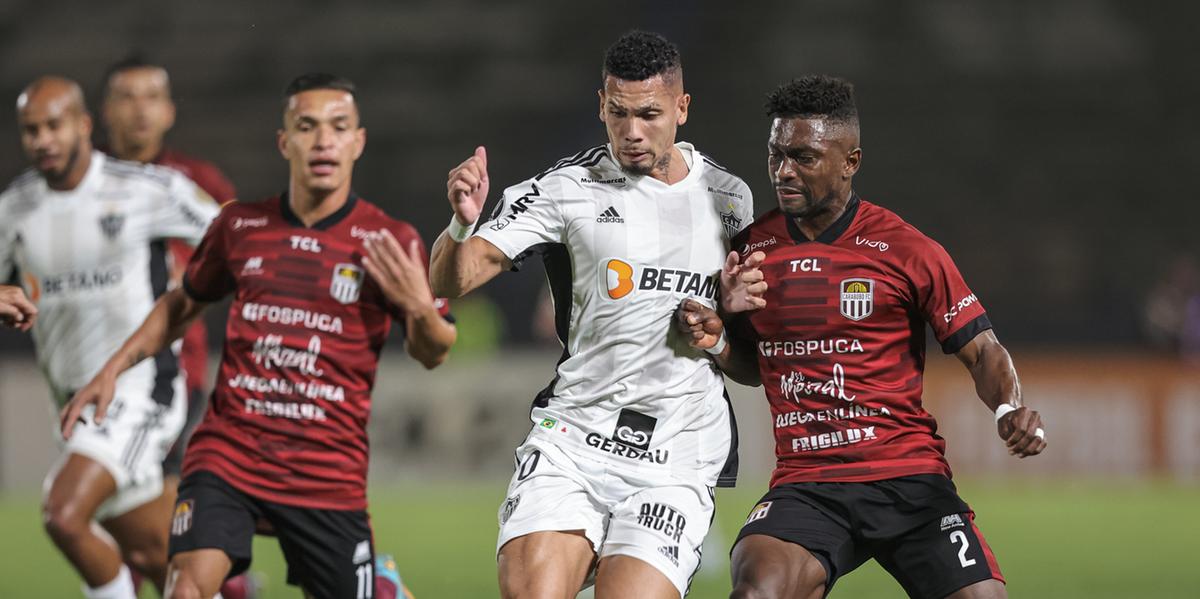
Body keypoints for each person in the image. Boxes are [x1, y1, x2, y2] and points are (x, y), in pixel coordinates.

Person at [61, 73, 452, 599]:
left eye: (338, 127)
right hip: (230, 452)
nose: (323, 141)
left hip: (326, 470)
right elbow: (181, 304)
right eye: (307, 127)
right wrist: (113, 369)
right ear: (284, 141)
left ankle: (379, 584)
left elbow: (433, 351)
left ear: (357, 142)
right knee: (185, 591)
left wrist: (418, 309)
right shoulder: (241, 226)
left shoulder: (390, 241)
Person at [676, 75, 1047, 599]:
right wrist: (718, 339)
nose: (784, 171)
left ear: (849, 162)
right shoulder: (750, 249)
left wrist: (1009, 409)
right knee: (756, 592)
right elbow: (754, 369)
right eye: (776, 155)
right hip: (807, 484)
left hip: (908, 477)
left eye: (803, 157)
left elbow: (982, 348)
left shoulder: (907, 250)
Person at [430, 30, 755, 599]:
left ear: (682, 108)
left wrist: (720, 336)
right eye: (619, 113)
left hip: (675, 452)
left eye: (650, 114)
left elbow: (752, 359)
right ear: (601, 105)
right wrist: (461, 224)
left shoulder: (730, 200)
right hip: (574, 441)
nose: (632, 133)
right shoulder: (565, 188)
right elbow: (450, 279)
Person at [0, 76, 220, 598]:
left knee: (64, 513)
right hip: (76, 406)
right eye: (30, 130)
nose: (42, 140)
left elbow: (233, 238)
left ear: (82, 125)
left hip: (142, 390)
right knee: (161, 556)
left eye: (54, 125)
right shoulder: (14, 209)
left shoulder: (144, 189)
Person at [99, 54, 262, 599]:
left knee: (151, 521)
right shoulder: (87, 187)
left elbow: (248, 261)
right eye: (127, 97)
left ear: (168, 110)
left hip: (172, 378)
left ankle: (225, 584)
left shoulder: (195, 183)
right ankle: (230, 583)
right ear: (105, 111)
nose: (139, 110)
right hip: (95, 375)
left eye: (151, 97)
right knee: (116, 525)